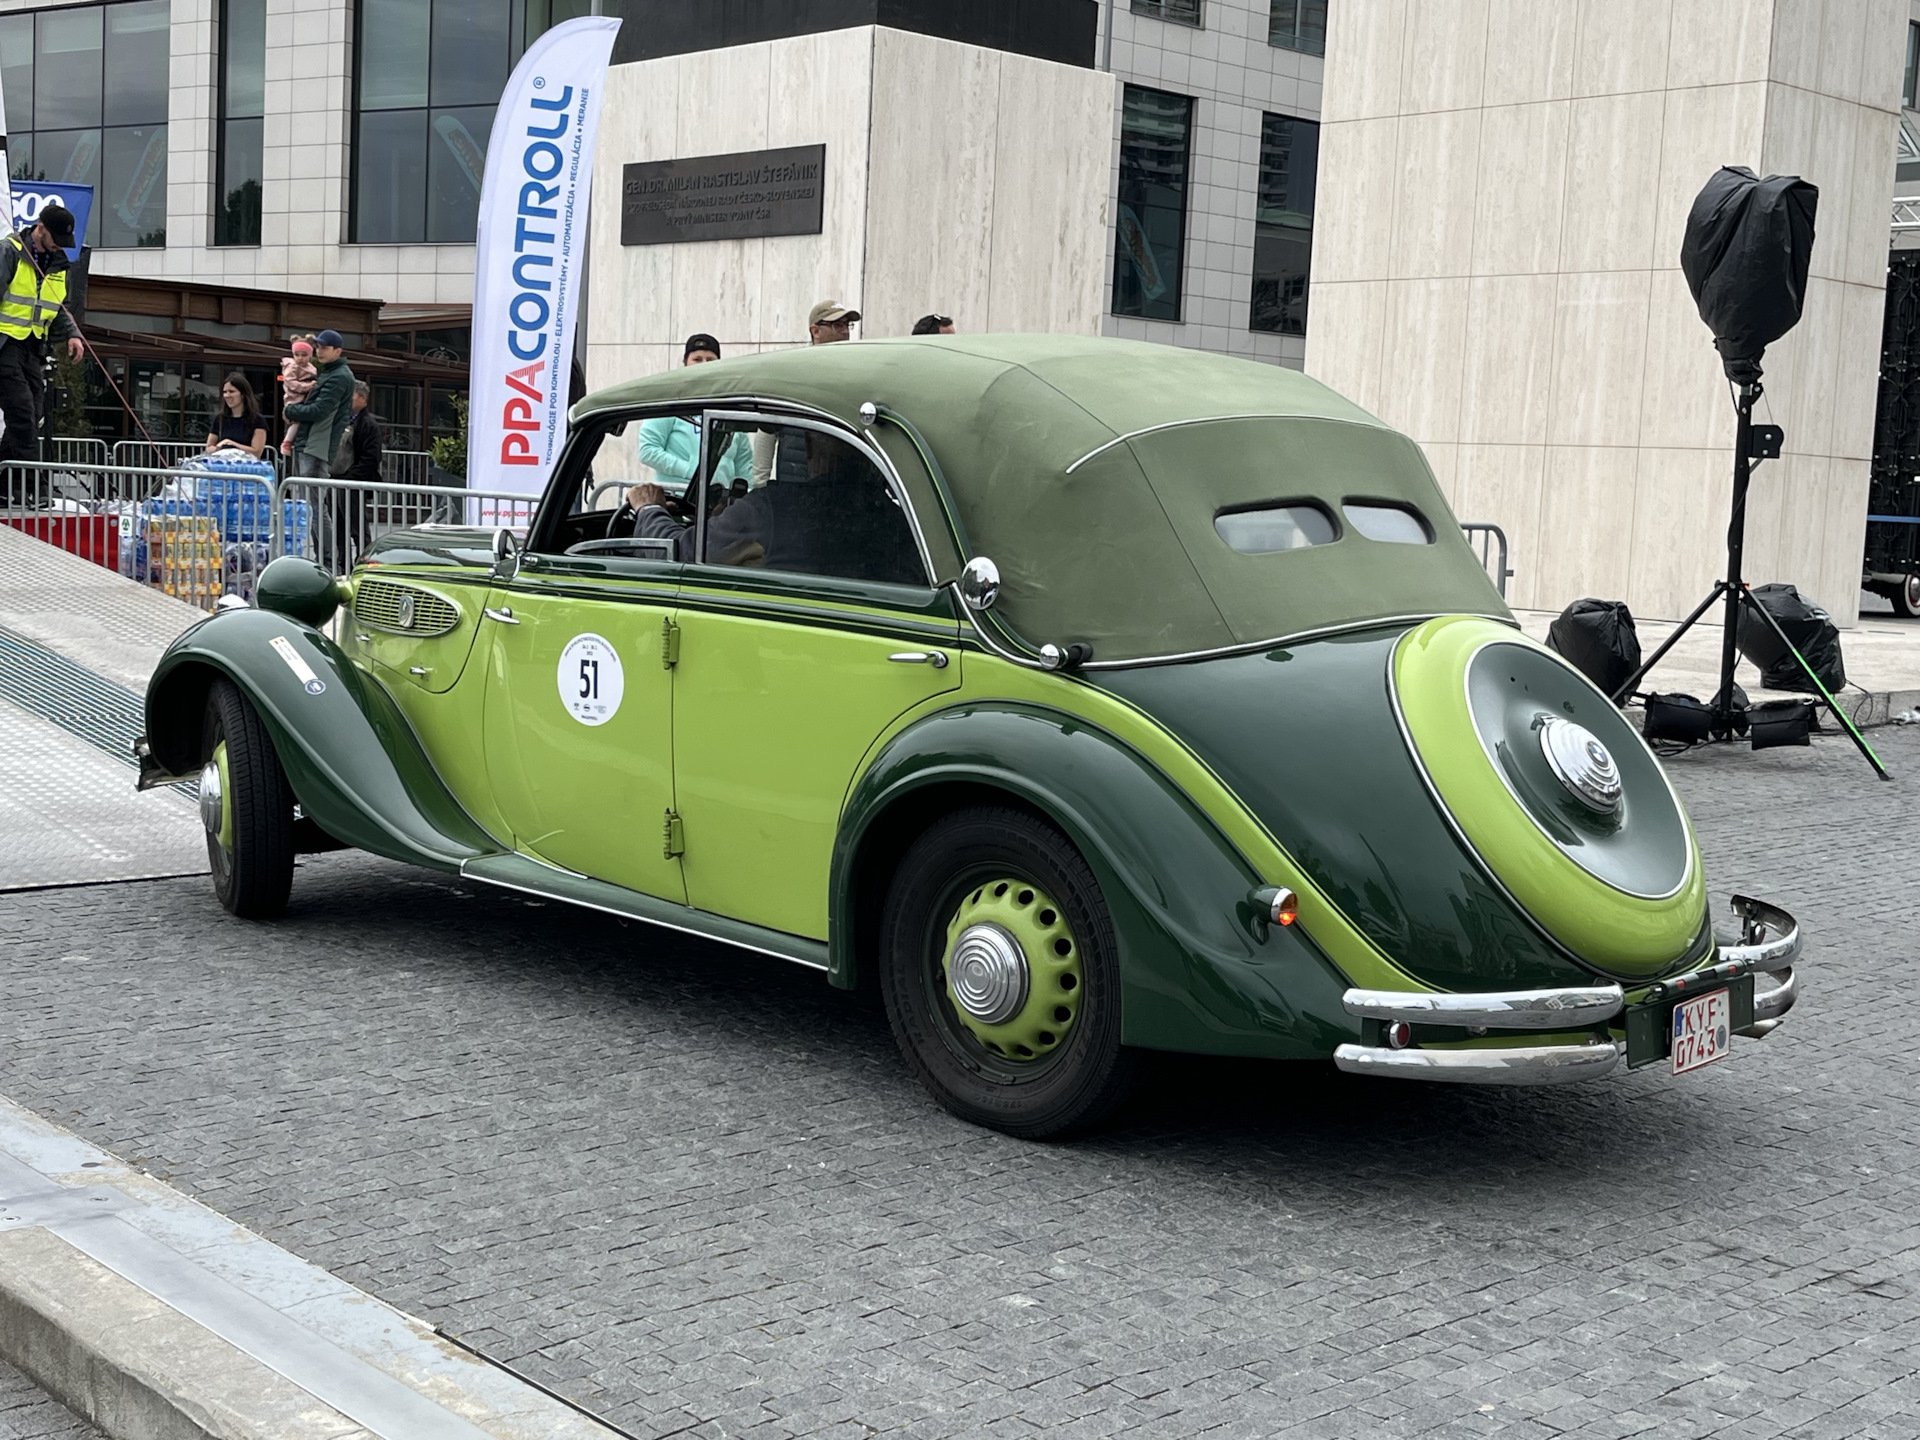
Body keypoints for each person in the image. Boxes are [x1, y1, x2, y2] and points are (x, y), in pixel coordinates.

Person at [623, 430, 920, 586]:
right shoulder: (896, 519)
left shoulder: (770, 509)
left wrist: (649, 509)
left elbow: (678, 554)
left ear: (809, 447)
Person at [0, 203, 85, 469]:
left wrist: (72, 334)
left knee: (34, 413)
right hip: (5, 345)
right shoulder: (9, 252)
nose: (59, 246)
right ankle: (26, 482)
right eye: (55, 239)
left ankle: (7, 479)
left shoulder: (59, 266)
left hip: (33, 347)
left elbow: (58, 307)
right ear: (40, 228)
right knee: (23, 413)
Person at [634, 334, 751, 500]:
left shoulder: (729, 406)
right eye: (697, 359)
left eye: (710, 360)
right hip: (678, 500)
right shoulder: (670, 402)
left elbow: (744, 462)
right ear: (685, 364)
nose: (704, 365)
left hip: (721, 505)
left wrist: (747, 495)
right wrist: (692, 472)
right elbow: (648, 450)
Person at [282, 329, 355, 480]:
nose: (319, 351)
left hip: (317, 444)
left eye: (324, 348)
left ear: (338, 351)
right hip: (314, 443)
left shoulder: (338, 376)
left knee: (308, 491)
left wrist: (290, 410)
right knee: (305, 490)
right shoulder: (331, 372)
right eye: (318, 347)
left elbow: (319, 410)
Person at [204, 373, 268, 460]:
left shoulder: (258, 420)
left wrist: (232, 444)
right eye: (225, 392)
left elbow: (256, 453)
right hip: (222, 465)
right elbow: (209, 448)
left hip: (247, 467)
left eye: (231, 391)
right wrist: (219, 448)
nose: (227, 395)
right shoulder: (219, 418)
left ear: (243, 394)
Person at [276, 337, 317, 458]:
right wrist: (308, 386)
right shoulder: (292, 367)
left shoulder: (311, 367)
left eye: (304, 355)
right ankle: (286, 442)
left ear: (310, 355)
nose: (300, 358)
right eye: (297, 355)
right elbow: (290, 383)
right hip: (294, 399)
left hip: (305, 398)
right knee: (297, 421)